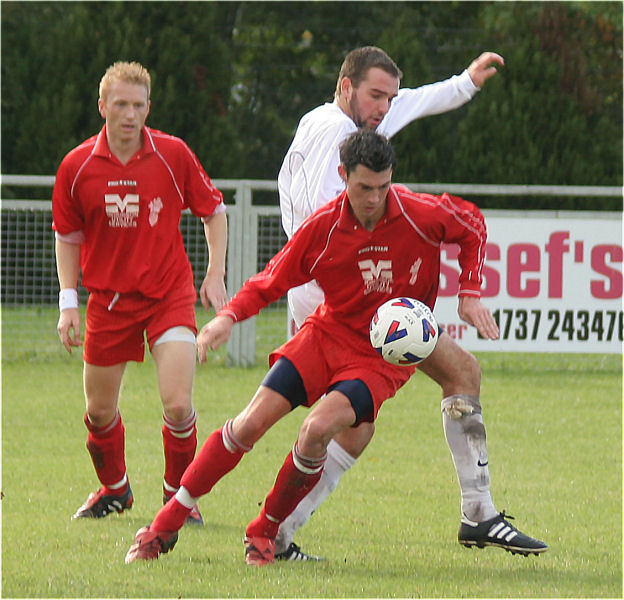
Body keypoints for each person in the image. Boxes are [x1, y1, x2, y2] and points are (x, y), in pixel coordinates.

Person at [125, 130, 547, 566]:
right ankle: (164, 525)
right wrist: (227, 317)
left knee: (315, 429)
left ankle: (264, 532)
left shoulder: (420, 212)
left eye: (383, 187)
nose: (375, 198)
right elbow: (272, 278)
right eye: (365, 187)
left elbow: (473, 223)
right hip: (325, 335)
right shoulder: (323, 227)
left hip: (378, 357)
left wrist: (470, 290)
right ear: (343, 175)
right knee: (250, 423)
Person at [276, 45, 506, 561]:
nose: (385, 107)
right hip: (339, 297)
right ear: (345, 87)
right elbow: (324, 225)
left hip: (334, 290)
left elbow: (412, 103)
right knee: (344, 424)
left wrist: (464, 82)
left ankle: (479, 513)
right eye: (376, 95)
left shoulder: (347, 120)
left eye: (388, 97)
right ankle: (271, 532)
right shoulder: (333, 137)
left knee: (369, 419)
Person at [52, 61, 228, 526]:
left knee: (177, 403)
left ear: (149, 107)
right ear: (102, 107)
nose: (130, 114)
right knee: (99, 410)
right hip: (107, 302)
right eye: (120, 104)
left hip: (167, 295)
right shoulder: (76, 166)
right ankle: (115, 490)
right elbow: (67, 235)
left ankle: (178, 499)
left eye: (138, 105)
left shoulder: (173, 154)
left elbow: (213, 211)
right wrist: (69, 301)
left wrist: (215, 273)